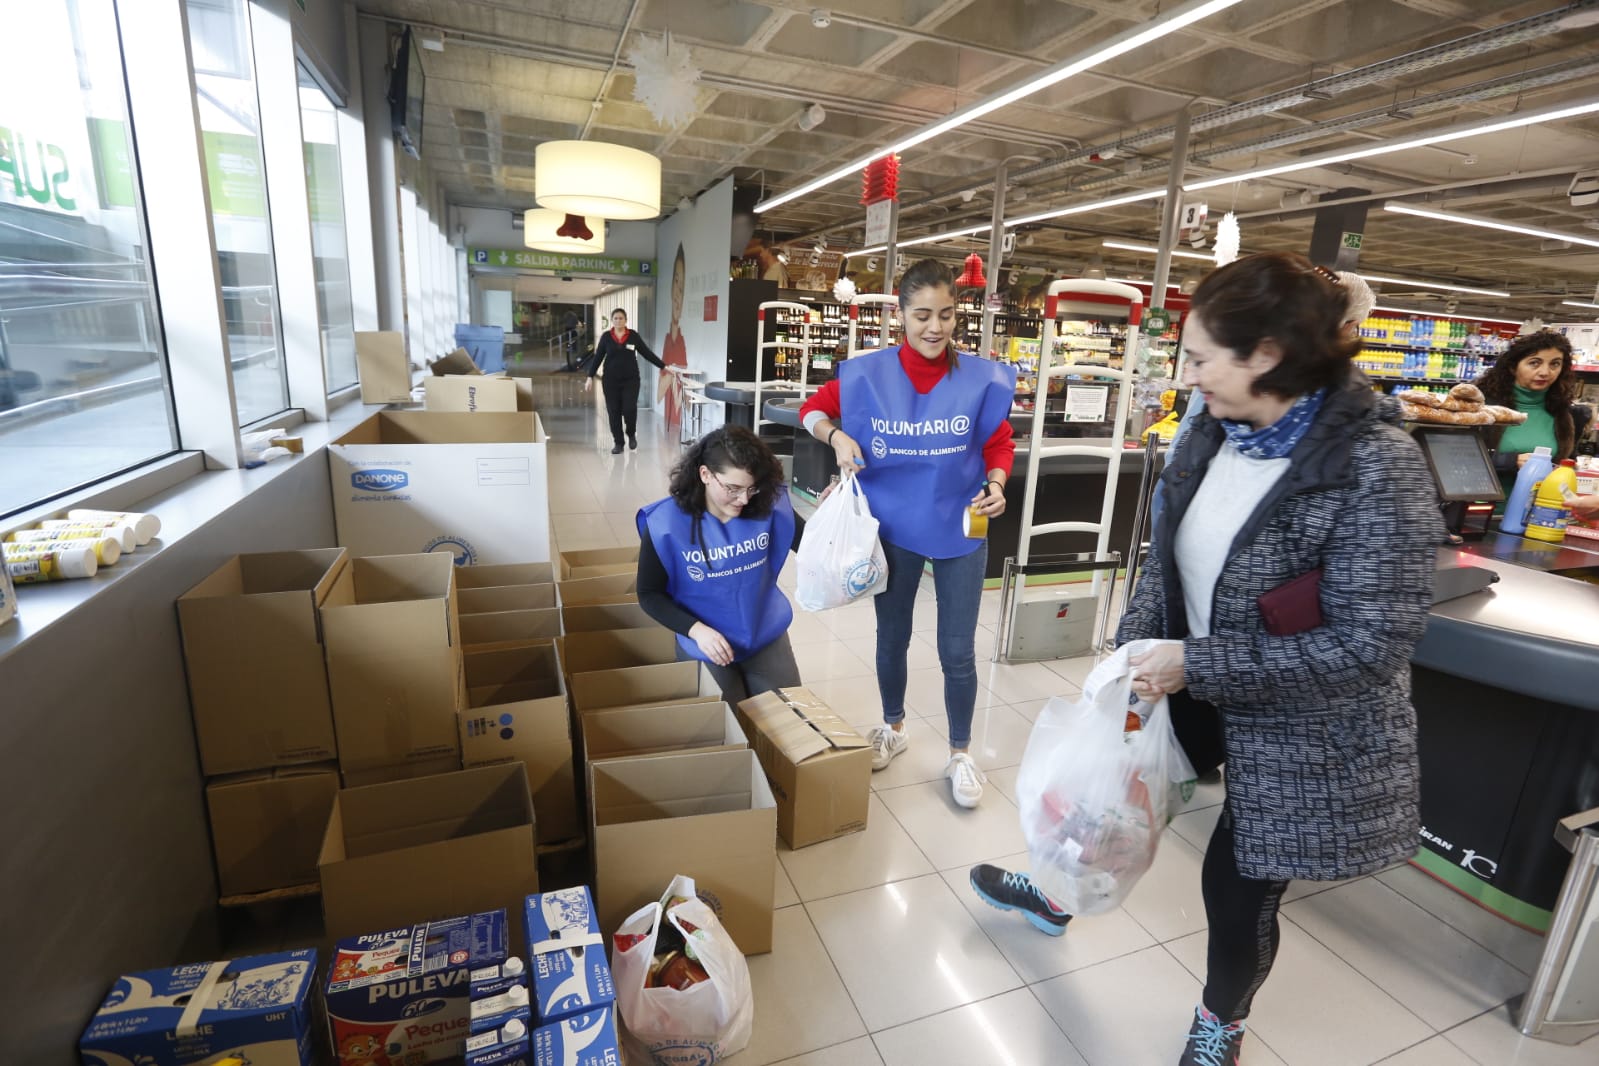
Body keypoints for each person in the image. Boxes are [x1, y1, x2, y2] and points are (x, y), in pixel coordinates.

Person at [969, 253, 1444, 1066]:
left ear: (1264, 354)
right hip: (1186, 669)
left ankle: (1220, 1020)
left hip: (1301, 716)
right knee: (1100, 808)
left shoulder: (1376, 465)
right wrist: (1131, 654)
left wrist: (1198, 664)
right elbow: (1164, 561)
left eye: (1198, 358)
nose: (1185, 376)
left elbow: (1370, 645)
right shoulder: (1210, 427)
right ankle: (1053, 896)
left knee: (1238, 884)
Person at [799, 258, 1016, 809]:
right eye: (922, 315)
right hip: (893, 528)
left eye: (945, 315)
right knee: (891, 637)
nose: (935, 327)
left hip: (962, 523)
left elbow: (998, 441)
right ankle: (893, 726)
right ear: (900, 315)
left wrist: (996, 481)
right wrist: (836, 437)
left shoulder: (980, 379)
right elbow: (812, 410)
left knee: (957, 650)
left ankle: (961, 753)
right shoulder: (867, 376)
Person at [636, 426, 800, 704]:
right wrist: (696, 631)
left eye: (751, 488)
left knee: (787, 713)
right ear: (705, 475)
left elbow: (814, 545)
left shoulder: (767, 504)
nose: (744, 499)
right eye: (732, 489)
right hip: (705, 639)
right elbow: (649, 594)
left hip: (763, 630)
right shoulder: (666, 524)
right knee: (726, 719)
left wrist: (831, 513)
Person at [1474, 330, 1593, 496]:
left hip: (1543, 507)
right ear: (1513, 367)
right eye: (1534, 363)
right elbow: (1457, 456)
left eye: (1555, 364)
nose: (1545, 372)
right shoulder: (1479, 407)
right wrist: (1511, 461)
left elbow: (1566, 462)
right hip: (1483, 505)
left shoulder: (1565, 414)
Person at [586, 308, 673, 454]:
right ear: (612, 320)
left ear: (625, 320)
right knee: (613, 411)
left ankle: (631, 433)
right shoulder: (606, 337)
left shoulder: (633, 336)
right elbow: (598, 357)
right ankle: (618, 443)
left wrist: (663, 366)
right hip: (610, 381)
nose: (618, 321)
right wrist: (590, 376)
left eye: (621, 318)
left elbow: (646, 353)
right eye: (615, 318)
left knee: (629, 409)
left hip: (630, 380)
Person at [658, 245, 690, 428]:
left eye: (682, 288)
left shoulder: (682, 342)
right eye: (676, 283)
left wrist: (673, 374)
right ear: (671, 288)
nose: (678, 294)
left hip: (678, 421)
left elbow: (686, 402)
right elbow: (659, 394)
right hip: (669, 420)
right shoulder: (668, 340)